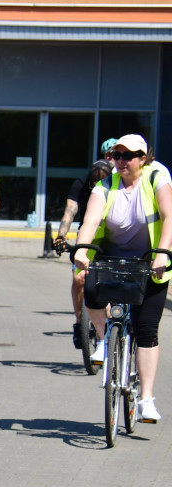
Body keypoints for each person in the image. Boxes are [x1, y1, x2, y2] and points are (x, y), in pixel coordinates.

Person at [73, 133, 172, 423]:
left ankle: (146, 400)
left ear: (144, 158)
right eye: (117, 155)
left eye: (127, 156)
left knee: (146, 329)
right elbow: (90, 220)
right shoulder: (105, 184)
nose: (120, 161)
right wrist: (81, 251)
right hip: (112, 256)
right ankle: (106, 339)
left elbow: (169, 216)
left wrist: (163, 255)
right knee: (88, 286)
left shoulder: (157, 177)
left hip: (151, 259)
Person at [54, 138, 116, 347]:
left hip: (114, 235)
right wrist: (61, 236)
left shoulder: (119, 183)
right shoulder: (81, 183)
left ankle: (111, 327)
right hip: (89, 234)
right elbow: (70, 211)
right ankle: (80, 322)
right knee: (79, 278)